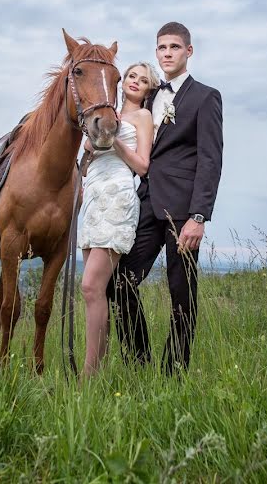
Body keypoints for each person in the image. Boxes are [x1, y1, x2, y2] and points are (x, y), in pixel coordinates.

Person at [110, 22, 223, 376]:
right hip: (144, 204)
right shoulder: (148, 97)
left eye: (175, 47)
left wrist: (199, 216)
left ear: (189, 51)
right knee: (118, 283)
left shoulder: (205, 97)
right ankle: (138, 363)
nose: (168, 53)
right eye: (162, 48)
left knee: (181, 295)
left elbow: (210, 159)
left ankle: (173, 375)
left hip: (183, 212)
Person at [78, 62, 158, 377]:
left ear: (149, 88)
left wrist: (115, 140)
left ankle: (88, 375)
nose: (136, 82)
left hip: (118, 197)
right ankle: (99, 370)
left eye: (144, 80)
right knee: (97, 291)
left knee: (89, 287)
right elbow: (87, 155)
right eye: (133, 76)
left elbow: (142, 166)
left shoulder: (142, 117)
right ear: (122, 82)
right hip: (93, 197)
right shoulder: (106, 110)